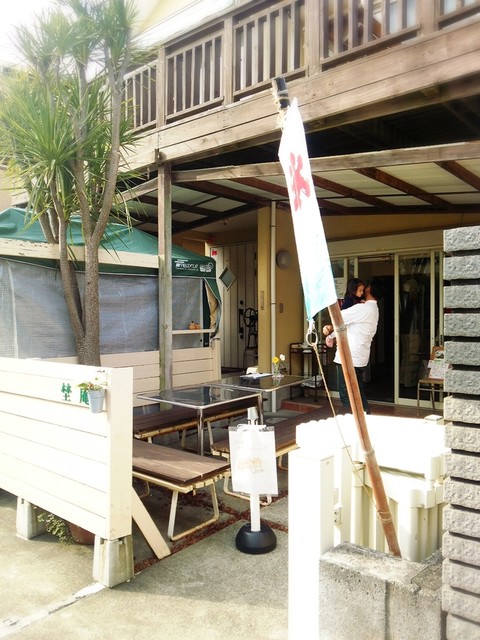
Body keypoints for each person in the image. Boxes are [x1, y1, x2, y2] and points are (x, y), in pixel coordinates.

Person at [323, 279, 385, 414]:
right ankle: (365, 415)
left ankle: (352, 418)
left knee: (347, 394)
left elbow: (338, 317)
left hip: (349, 356)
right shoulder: (374, 309)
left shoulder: (362, 308)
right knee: (357, 391)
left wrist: (329, 329)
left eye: (364, 289)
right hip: (360, 357)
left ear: (369, 289)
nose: (363, 291)